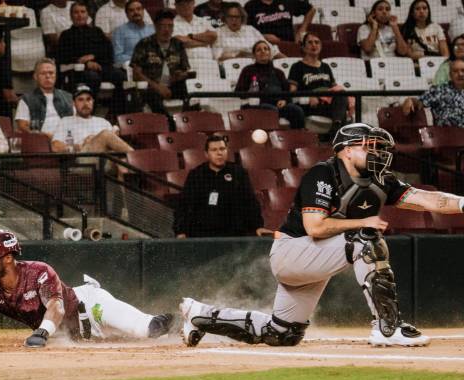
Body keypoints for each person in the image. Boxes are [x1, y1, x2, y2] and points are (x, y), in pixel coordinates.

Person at [180, 123, 464, 349]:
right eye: (370, 147)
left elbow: (426, 199)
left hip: (316, 257)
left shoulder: (380, 180)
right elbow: (315, 227)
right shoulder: (323, 174)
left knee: (282, 333)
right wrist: (363, 221)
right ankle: (387, 328)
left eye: (379, 148)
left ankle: (200, 315)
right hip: (292, 252)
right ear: (347, 151)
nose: (377, 153)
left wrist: (462, 203)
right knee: (365, 238)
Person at [0, 229, 174, 348]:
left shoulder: (38, 271)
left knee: (146, 329)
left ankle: (186, 317)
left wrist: (42, 332)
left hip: (92, 306)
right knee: (130, 342)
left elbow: (56, 307)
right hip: (75, 335)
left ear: (8, 258)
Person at [174, 136, 269, 238]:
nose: (219, 153)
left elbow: (250, 201)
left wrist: (258, 226)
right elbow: (184, 204)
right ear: (206, 154)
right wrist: (181, 231)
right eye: (214, 150)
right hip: (202, 233)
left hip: (233, 233)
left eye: (222, 149)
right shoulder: (196, 174)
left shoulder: (238, 173)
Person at [56, 1, 126, 111]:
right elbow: (63, 57)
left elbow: (108, 51)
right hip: (78, 70)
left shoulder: (97, 31)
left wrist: (93, 56)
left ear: (87, 14)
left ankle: (114, 111)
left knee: (121, 76)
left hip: (100, 66)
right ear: (71, 16)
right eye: (76, 12)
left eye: (82, 12)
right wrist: (85, 63)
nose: (79, 15)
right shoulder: (66, 35)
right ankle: (90, 110)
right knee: (93, 77)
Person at [130, 10, 191, 114]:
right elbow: (136, 74)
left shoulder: (178, 44)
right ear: (155, 26)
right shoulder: (144, 44)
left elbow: (184, 69)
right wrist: (157, 87)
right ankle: (167, 121)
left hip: (173, 86)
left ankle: (188, 120)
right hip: (151, 87)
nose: (167, 30)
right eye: (163, 26)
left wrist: (179, 75)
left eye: (170, 26)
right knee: (150, 95)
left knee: (190, 91)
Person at [235, 40, 304, 128]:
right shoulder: (248, 70)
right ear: (254, 55)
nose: (263, 51)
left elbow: (287, 92)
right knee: (272, 111)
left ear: (270, 53)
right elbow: (238, 91)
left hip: (277, 105)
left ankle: (297, 135)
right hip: (257, 105)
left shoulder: (279, 72)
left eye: (266, 49)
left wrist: (284, 100)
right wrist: (250, 92)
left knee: (297, 110)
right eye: (259, 50)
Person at [51, 84, 133, 156]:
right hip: (81, 160)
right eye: (80, 100)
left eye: (88, 99)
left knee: (121, 159)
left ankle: (134, 162)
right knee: (105, 135)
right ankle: (136, 159)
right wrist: (76, 147)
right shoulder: (65, 121)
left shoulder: (103, 122)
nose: (85, 103)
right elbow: (55, 146)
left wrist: (95, 139)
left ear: (93, 101)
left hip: (105, 159)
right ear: (73, 103)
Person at [288, 32, 348, 128]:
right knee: (341, 112)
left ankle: (337, 124)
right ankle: (338, 128)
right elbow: (292, 92)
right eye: (310, 42)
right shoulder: (297, 67)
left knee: (342, 94)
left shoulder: (325, 67)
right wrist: (308, 97)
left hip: (327, 102)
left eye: (317, 42)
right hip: (310, 104)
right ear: (303, 47)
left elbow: (334, 87)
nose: (314, 45)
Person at [15, 58, 75, 137]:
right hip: (40, 140)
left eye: (51, 73)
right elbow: (22, 127)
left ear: (56, 76)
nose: (48, 76)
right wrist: (45, 137)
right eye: (43, 73)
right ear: (35, 76)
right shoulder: (26, 99)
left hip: (67, 138)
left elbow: (78, 121)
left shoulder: (68, 97)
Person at [402, 58, 464, 127]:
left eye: (463, 70)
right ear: (450, 75)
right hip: (446, 132)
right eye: (455, 71)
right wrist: (411, 100)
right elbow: (419, 102)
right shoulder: (439, 90)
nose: (460, 74)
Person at [212, 2, 281, 61]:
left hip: (255, 66)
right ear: (224, 18)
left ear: (242, 18)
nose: (234, 20)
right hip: (232, 68)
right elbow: (218, 58)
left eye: (237, 17)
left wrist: (286, 60)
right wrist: (237, 57)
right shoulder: (218, 32)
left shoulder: (250, 30)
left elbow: (272, 51)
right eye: (230, 17)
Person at [243, 0, 316, 44]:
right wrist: (262, 36)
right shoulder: (250, 6)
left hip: (288, 45)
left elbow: (311, 10)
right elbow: (246, 31)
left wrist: (302, 30)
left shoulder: (287, 2)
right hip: (265, 47)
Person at [112, 0, 155, 65]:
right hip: (132, 66)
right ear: (126, 14)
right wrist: (140, 58)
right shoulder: (119, 31)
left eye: (138, 9)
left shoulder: (152, 29)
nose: (136, 12)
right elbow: (117, 57)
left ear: (143, 11)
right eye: (131, 10)